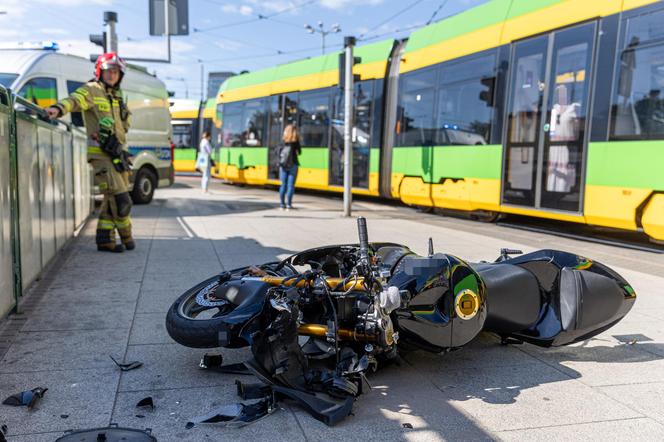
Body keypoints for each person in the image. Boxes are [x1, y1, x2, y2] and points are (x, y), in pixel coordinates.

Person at [46, 52, 134, 253]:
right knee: (120, 200)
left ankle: (105, 240)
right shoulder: (91, 90)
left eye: (115, 72)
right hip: (101, 156)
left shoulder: (117, 97)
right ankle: (126, 236)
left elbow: (123, 127)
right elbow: (74, 100)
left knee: (112, 199)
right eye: (108, 71)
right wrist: (58, 109)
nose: (112, 75)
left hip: (118, 155)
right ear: (99, 72)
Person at [278, 123, 301, 210]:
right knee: (290, 186)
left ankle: (281, 204)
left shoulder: (282, 141)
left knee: (283, 185)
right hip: (293, 165)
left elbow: (278, 152)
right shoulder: (296, 141)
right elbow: (300, 152)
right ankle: (289, 205)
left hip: (283, 165)